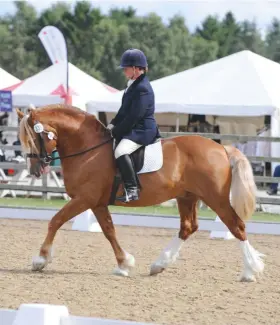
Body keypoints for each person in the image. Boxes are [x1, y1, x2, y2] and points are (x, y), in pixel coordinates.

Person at [107, 48, 160, 203]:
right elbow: (124, 111)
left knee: (120, 151)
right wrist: (112, 125)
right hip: (135, 128)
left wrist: (117, 131)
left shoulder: (142, 87)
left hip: (143, 130)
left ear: (136, 69)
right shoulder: (132, 85)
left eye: (126, 68)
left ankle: (132, 189)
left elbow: (134, 116)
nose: (124, 71)